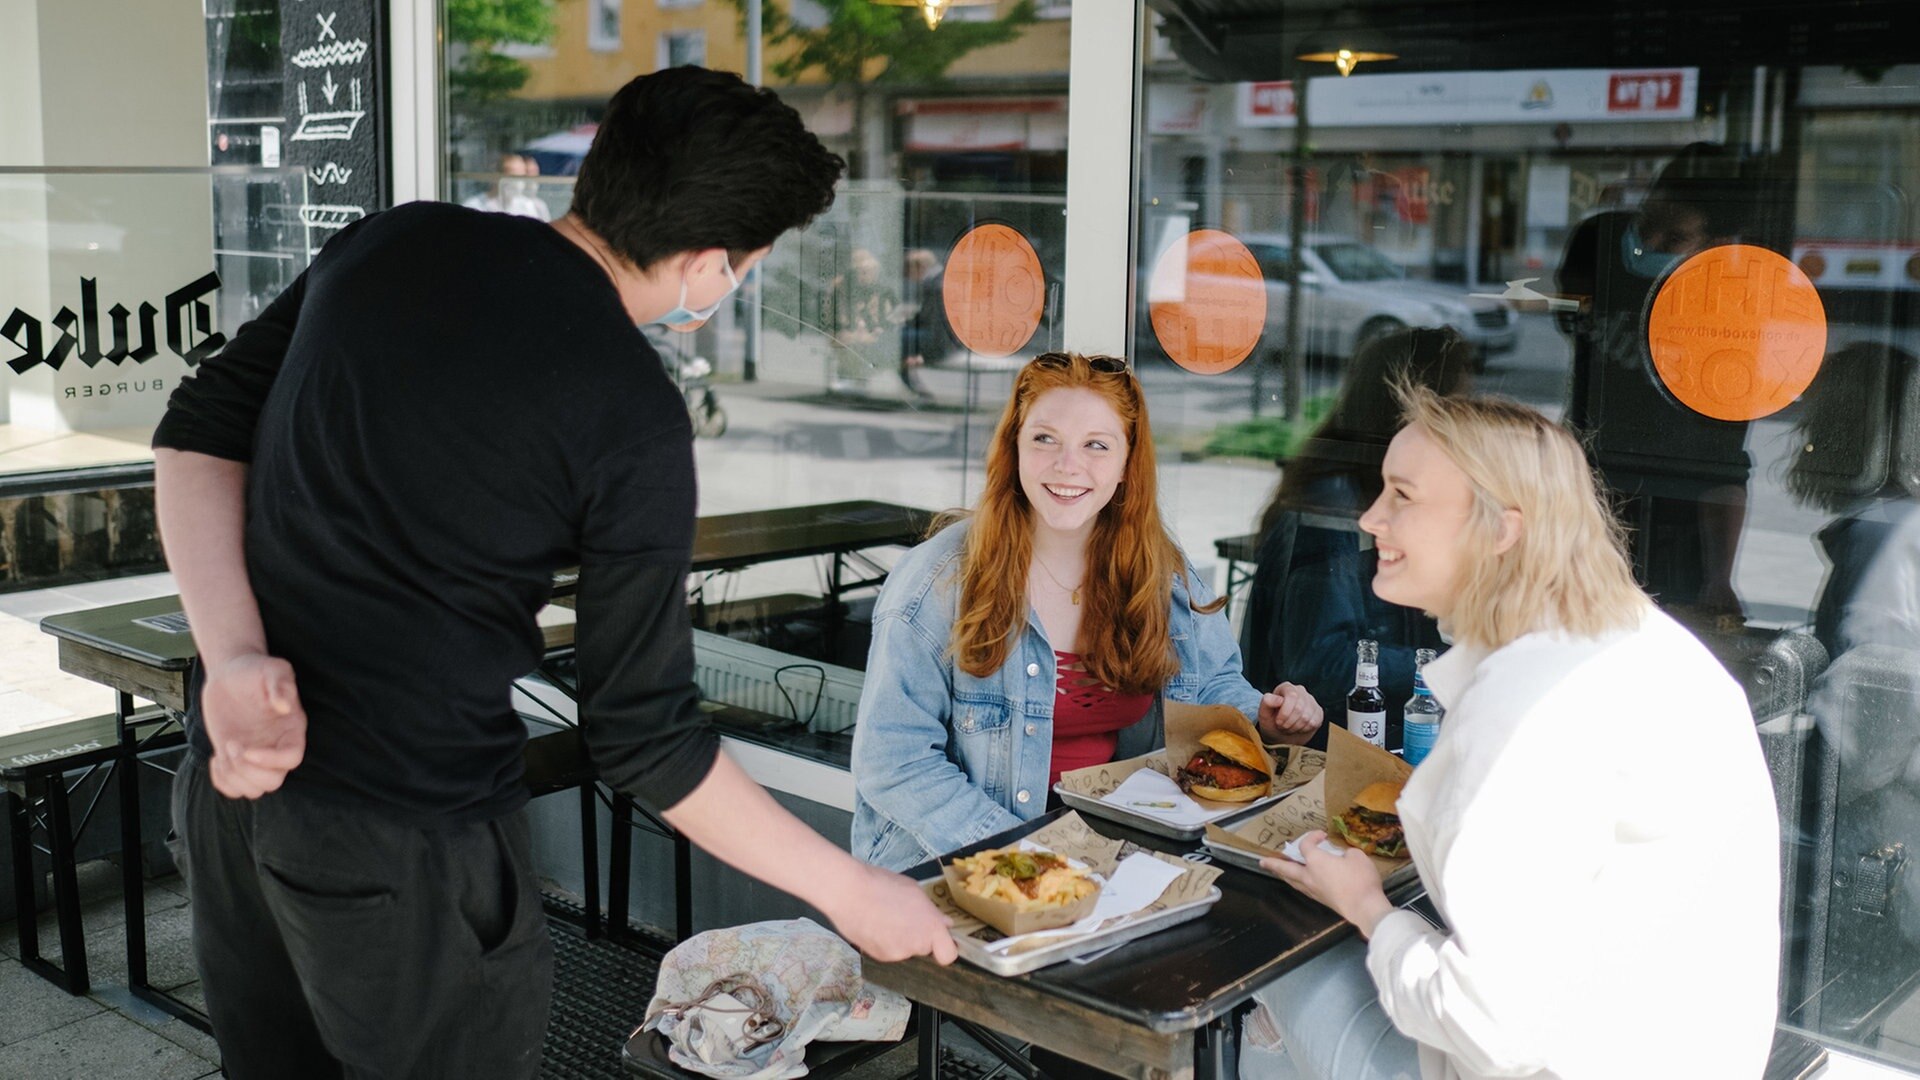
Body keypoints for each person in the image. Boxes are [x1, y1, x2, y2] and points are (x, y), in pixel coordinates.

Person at [151, 66, 956, 1080]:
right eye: (742, 267)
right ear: (713, 266)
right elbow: (645, 736)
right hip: (403, 836)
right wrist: (850, 887)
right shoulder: (630, 414)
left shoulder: (396, 240)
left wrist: (233, 660)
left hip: (230, 785)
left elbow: (194, 430)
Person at [1244, 385, 1780, 1080]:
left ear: (1502, 531)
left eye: (1403, 495)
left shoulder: (1529, 707)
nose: (1372, 517)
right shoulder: (1636, 640)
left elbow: (1496, 1030)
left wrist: (1368, 907)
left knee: (1264, 978)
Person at [850, 352, 1324, 873]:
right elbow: (894, 764)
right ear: (1014, 449)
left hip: (1116, 855)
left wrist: (1266, 718)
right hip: (964, 862)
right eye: (1044, 439)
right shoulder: (937, 581)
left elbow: (1208, 687)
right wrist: (1030, 857)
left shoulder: (1158, 570)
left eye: (1096, 445)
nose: (1067, 465)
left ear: (1126, 465)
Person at [1242, 327, 1471, 748]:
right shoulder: (1335, 502)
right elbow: (1321, 663)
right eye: (1457, 405)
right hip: (1326, 750)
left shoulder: (1363, 492)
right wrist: (1450, 665)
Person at [825, 247, 897, 396]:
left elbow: (886, 313)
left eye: (872, 272)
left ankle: (860, 378)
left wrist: (876, 327)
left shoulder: (879, 289)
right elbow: (837, 314)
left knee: (871, 342)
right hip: (844, 330)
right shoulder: (841, 287)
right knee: (849, 341)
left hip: (870, 331)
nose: (869, 276)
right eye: (863, 272)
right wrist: (854, 327)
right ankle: (846, 375)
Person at [897, 248, 950, 401]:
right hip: (939, 336)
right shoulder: (940, 278)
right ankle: (911, 383)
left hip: (937, 339)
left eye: (909, 271)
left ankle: (910, 384)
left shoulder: (933, 283)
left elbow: (929, 318)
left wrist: (907, 322)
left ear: (919, 267)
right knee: (901, 335)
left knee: (895, 340)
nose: (909, 277)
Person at [463, 152, 552, 221]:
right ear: (497, 177)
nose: (518, 183)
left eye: (522, 177)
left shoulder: (528, 206)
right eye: (513, 177)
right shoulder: (474, 206)